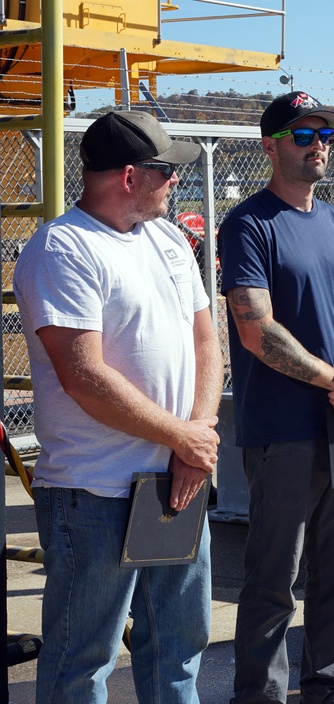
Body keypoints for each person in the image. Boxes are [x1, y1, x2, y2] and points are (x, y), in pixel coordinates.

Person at [13, 110, 223, 702]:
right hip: (94, 492)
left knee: (178, 647)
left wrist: (196, 438)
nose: (175, 180)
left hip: (176, 482)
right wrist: (184, 438)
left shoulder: (167, 239)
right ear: (129, 176)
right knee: (83, 659)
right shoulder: (63, 247)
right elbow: (84, 375)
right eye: (165, 170)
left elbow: (206, 342)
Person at [220, 92, 334, 704]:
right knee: (273, 581)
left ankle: (330, 691)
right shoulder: (248, 224)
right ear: (270, 145)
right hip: (285, 430)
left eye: (327, 135)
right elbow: (254, 327)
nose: (319, 144)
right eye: (302, 134)